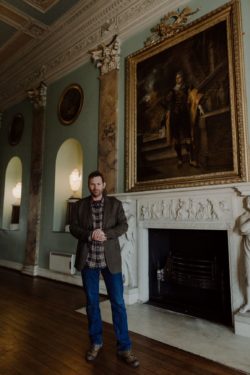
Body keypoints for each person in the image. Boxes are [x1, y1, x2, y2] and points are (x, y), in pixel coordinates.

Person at [69, 170, 139, 367]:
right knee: (92, 304)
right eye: (92, 184)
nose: (95, 187)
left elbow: (123, 226)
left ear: (104, 184)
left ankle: (124, 348)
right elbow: (73, 227)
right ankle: (96, 343)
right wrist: (90, 235)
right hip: (88, 260)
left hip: (111, 261)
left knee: (117, 303)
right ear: (89, 186)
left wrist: (105, 234)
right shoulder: (80, 205)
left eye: (98, 184)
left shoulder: (115, 204)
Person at [166, 70, 203, 167]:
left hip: (184, 115)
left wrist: (198, 105)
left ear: (183, 78)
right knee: (176, 139)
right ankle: (180, 160)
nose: (178, 79)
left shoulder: (187, 87)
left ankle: (192, 159)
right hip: (175, 116)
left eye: (180, 77)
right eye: (177, 78)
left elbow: (194, 97)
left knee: (188, 137)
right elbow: (169, 102)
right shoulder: (172, 90)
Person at [238, 196, 250, 313]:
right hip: (248, 250)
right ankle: (248, 303)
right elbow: (242, 229)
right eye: (247, 203)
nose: (249, 205)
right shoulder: (244, 217)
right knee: (248, 278)